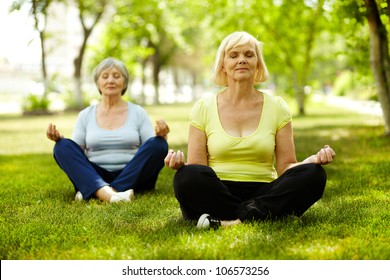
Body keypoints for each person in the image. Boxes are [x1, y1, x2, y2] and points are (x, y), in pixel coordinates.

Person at [164, 31, 336, 229]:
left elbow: (286, 167)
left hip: (263, 190)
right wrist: (181, 166)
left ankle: (230, 221)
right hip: (218, 189)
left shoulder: (277, 106)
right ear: (223, 65)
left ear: (257, 64)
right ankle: (269, 213)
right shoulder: (203, 107)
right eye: (234, 55)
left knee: (314, 174)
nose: (241, 60)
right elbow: (198, 167)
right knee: (187, 176)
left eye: (248, 54)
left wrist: (311, 162)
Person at [46, 57, 170, 203]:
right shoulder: (85, 115)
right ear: (98, 82)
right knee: (62, 146)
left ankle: (96, 191)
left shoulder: (138, 112)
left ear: (124, 82)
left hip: (133, 175)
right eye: (105, 76)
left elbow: (151, 150)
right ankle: (111, 195)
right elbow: (76, 154)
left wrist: (162, 136)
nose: (110, 80)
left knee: (159, 144)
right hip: (96, 174)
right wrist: (59, 139)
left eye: (116, 76)